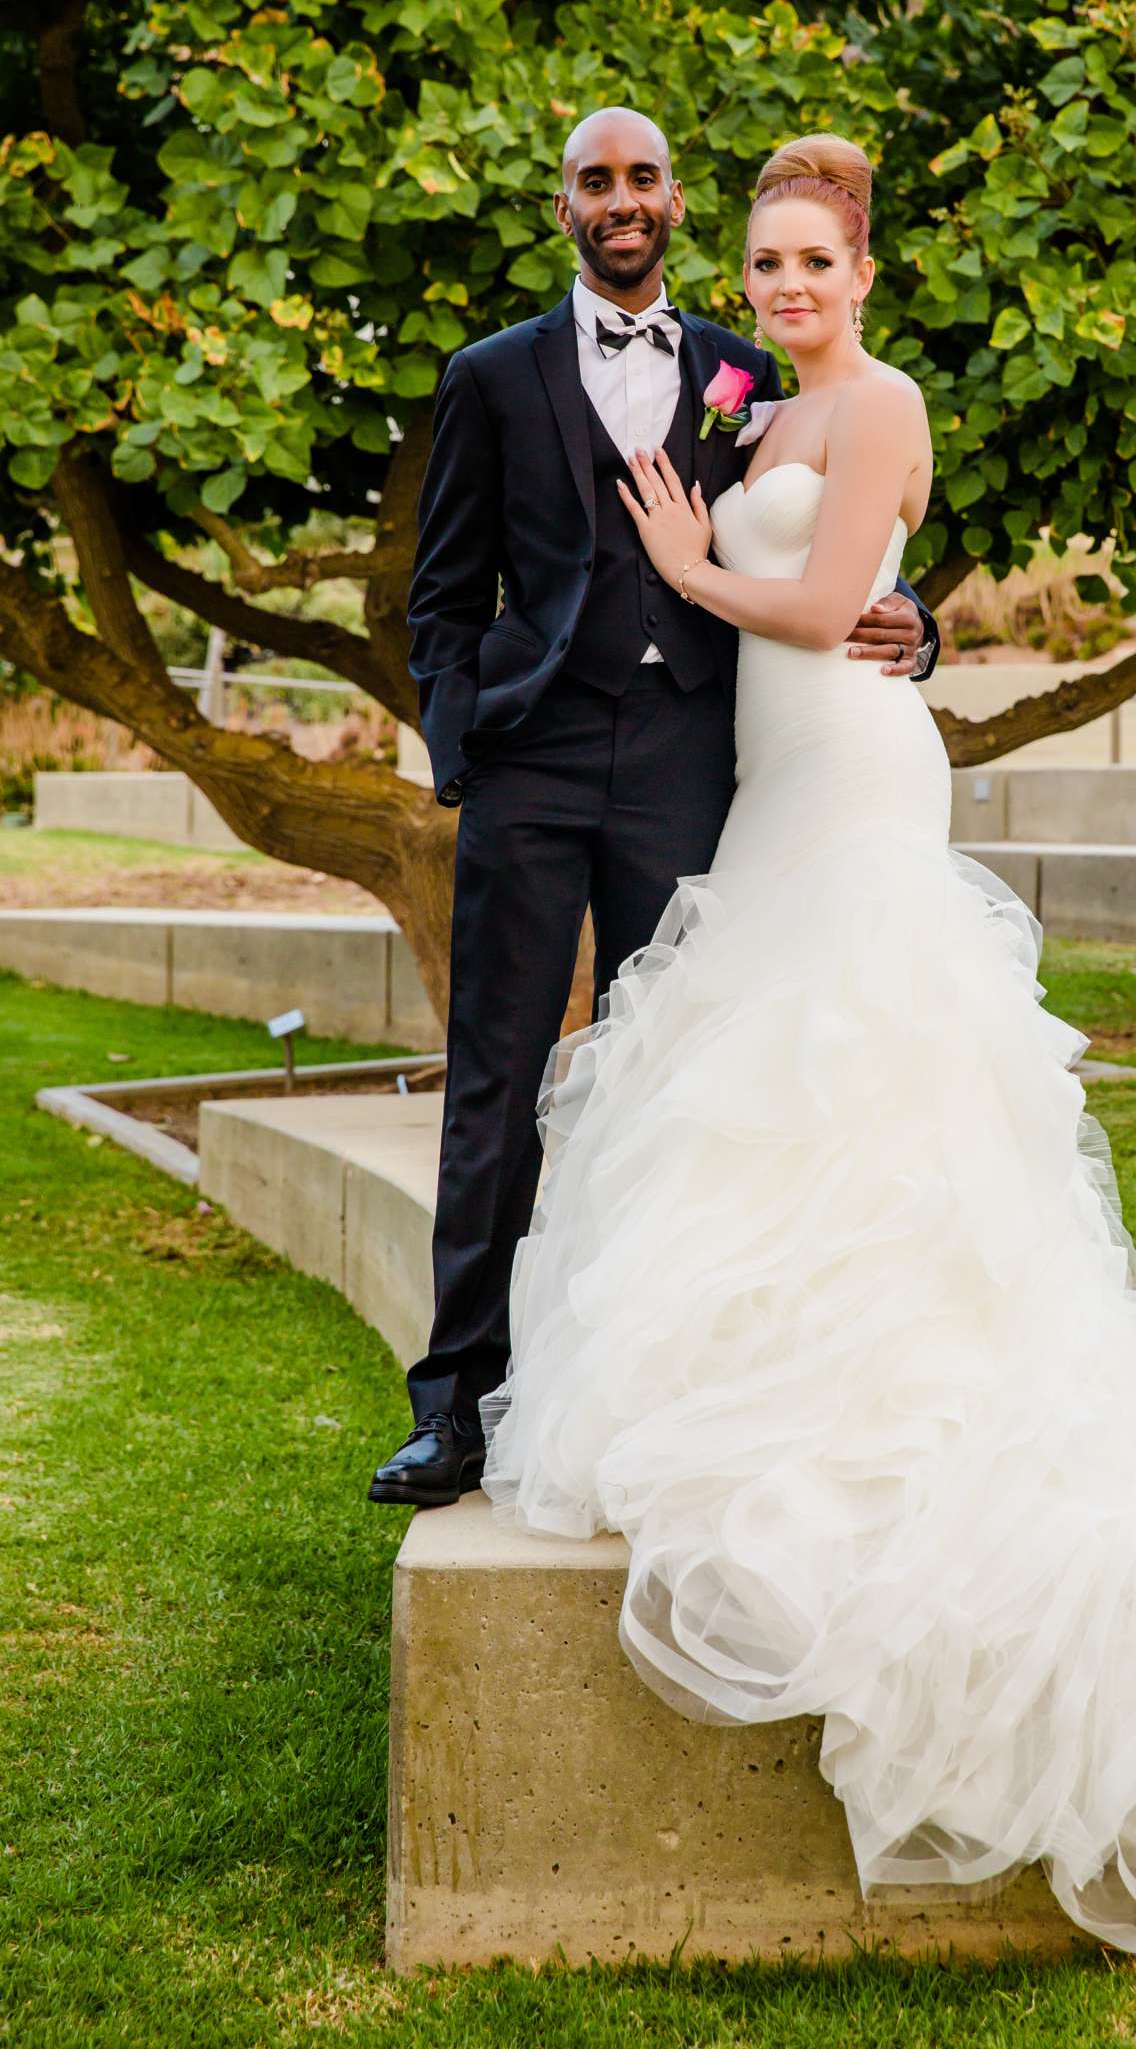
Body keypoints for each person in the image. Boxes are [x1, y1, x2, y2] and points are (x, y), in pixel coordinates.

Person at [476, 133, 1136, 1952]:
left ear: (865, 269)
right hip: (768, 770)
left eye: (816, 262)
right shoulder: (757, 406)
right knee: (775, 1075)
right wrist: (770, 577)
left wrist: (690, 563)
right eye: (769, 265)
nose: (790, 288)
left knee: (873, 1064)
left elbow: (823, 605)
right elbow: (859, 594)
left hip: (854, 774)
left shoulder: (877, 402)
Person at [369, 109, 938, 1508]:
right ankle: (455, 1407)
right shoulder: (490, 377)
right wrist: (468, 748)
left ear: (674, 204)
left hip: (695, 766)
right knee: (496, 1080)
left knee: (658, 1085)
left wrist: (914, 621)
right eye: (593, 181)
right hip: (535, 766)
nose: (620, 203)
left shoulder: (749, 371)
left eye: (641, 181)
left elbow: (858, 530)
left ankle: (610, 1384)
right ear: (563, 203)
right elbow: (439, 597)